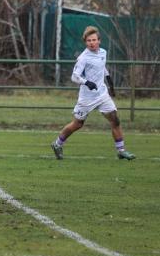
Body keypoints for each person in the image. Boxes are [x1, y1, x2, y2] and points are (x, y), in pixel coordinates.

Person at [51, 26, 136, 161]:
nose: (92, 42)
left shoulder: (103, 52)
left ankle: (121, 150)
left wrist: (110, 83)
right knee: (78, 124)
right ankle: (57, 143)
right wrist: (87, 82)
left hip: (102, 95)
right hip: (87, 98)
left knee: (115, 120)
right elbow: (74, 76)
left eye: (94, 40)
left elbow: (103, 69)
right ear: (86, 42)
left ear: (99, 40)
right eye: (89, 40)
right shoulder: (83, 57)